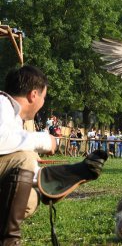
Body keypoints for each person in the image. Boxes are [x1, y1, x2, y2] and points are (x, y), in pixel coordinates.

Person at [0, 65, 57, 244]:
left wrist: (52, 182)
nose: (43, 104)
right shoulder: (1, 104)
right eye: (44, 97)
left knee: (30, 199)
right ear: (34, 95)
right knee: (26, 157)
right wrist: (44, 140)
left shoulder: (13, 115)